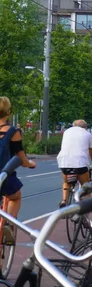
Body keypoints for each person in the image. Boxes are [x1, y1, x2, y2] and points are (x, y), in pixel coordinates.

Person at [0, 97, 36, 243]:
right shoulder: (12, 132)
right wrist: (30, 164)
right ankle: (8, 224)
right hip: (4, 176)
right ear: (8, 112)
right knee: (15, 196)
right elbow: (21, 158)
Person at [57, 120, 92, 208]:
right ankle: (85, 209)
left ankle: (64, 200)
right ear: (85, 127)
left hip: (64, 162)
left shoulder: (66, 132)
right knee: (86, 186)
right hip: (80, 164)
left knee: (66, 182)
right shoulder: (87, 134)